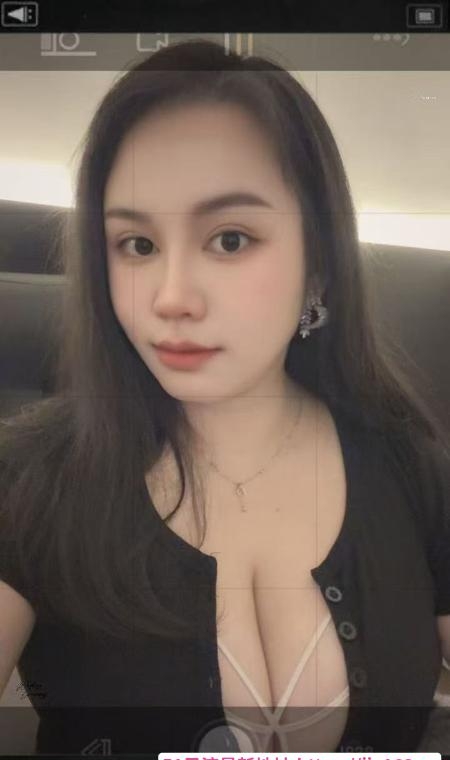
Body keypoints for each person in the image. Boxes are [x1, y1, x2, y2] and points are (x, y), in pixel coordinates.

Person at [1, 39, 450, 755]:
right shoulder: (29, 479)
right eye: (137, 245)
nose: (171, 297)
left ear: (319, 263)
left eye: (231, 239)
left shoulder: (410, 466)